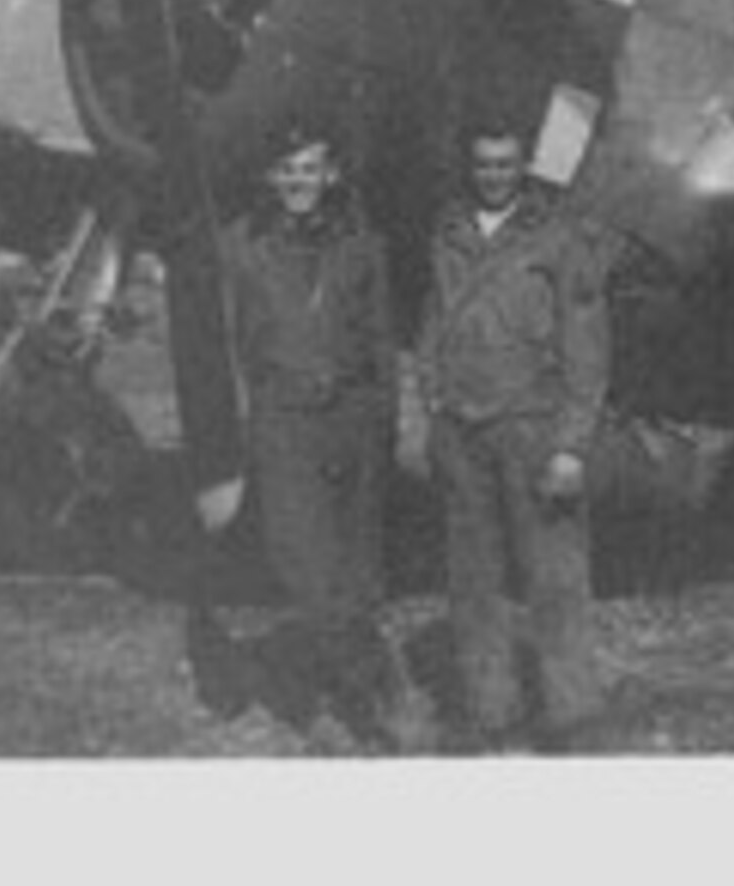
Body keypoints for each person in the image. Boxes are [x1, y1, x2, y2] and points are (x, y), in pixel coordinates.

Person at [192, 122, 422, 750]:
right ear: (272, 178)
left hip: (352, 418)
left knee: (358, 570)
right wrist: (251, 419)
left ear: (331, 176)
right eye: (287, 170)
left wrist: (384, 425)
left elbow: (380, 343)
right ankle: (366, 695)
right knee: (305, 568)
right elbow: (227, 342)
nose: (299, 181)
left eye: (310, 169)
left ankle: (371, 679)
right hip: (283, 422)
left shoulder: (364, 249)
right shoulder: (239, 247)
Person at [418, 115, 616, 752]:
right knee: (473, 582)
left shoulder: (558, 237)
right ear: (470, 167)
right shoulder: (447, 234)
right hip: (462, 430)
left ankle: (573, 715)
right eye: (483, 165)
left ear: (523, 166)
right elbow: (432, 324)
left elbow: (587, 347)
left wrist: (570, 445)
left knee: (553, 579)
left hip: (533, 429)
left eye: (505, 164)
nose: (493, 176)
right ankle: (491, 713)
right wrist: (431, 399)